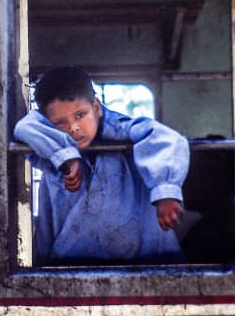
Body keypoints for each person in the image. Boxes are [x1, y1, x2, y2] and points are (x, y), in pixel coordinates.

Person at [13, 66, 189, 264]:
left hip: (144, 262)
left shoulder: (124, 130)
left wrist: (165, 192)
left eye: (80, 115)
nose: (74, 127)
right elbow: (24, 127)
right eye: (61, 122)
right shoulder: (50, 148)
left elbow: (168, 139)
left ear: (96, 108)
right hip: (69, 267)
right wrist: (67, 156)